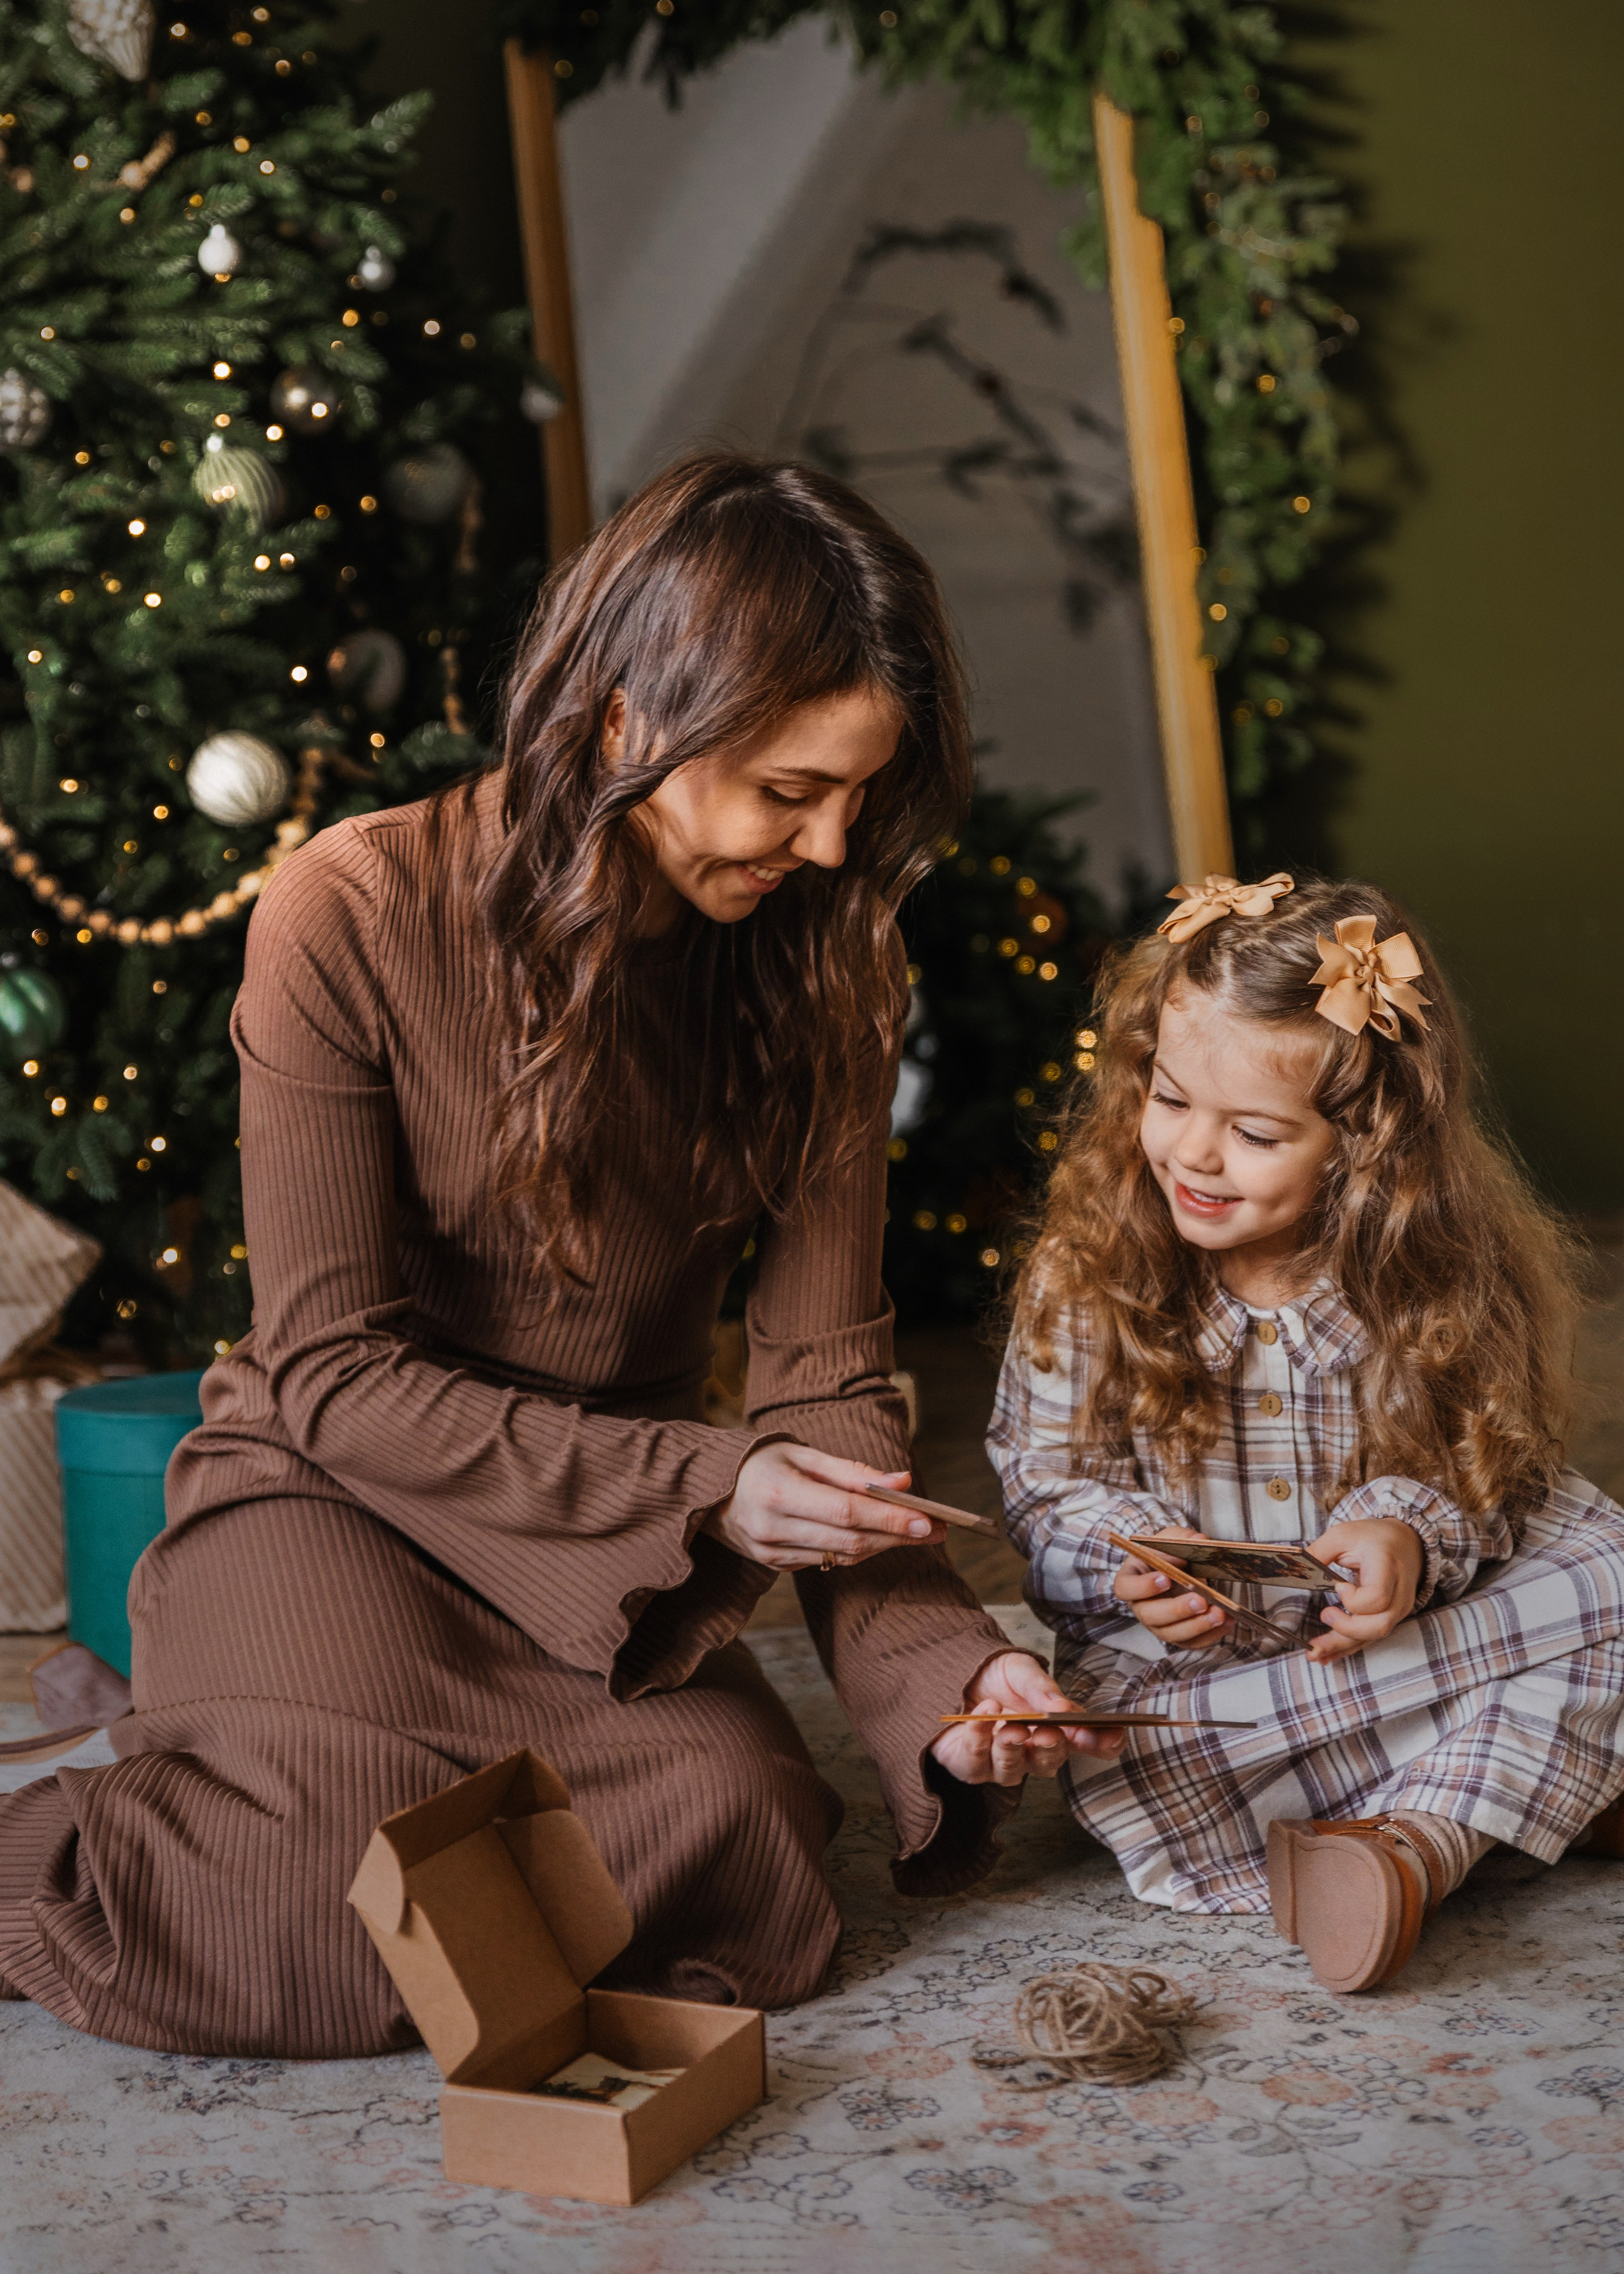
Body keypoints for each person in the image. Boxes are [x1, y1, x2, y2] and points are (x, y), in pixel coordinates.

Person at [0, 454, 1120, 2056]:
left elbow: (823, 1384)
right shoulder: (346, 910)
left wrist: (954, 1677)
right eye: (786, 791)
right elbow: (328, 1374)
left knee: (746, 1831)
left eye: (859, 796)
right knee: (290, 1914)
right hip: (336, 1493)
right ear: (621, 720)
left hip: (611, 1562)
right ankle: (111, 1802)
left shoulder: (832, 969)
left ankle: (209, 1744)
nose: (824, 847)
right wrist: (706, 1483)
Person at [989, 870, 1624, 1994]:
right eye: (1170, 1098)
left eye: (1254, 1132)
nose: (1192, 1153)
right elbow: (1044, 1482)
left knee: (1604, 1568)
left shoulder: (1435, 1274)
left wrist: (1410, 1536)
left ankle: (1404, 1845)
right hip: (1210, 1695)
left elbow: (1499, 1476)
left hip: (1397, 1644)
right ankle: (1482, 1805)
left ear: (1363, 1141)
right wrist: (1133, 1557)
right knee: (1124, 1751)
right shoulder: (1087, 1269)